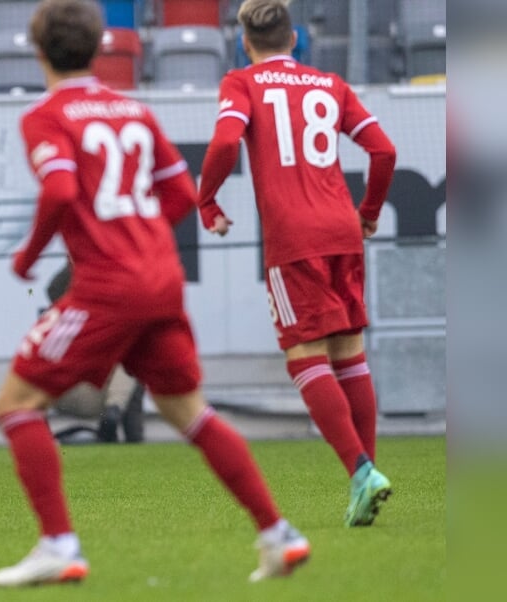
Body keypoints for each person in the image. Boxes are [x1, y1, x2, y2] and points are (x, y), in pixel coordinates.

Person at [0, 0, 309, 587]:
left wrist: (28, 258)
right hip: (160, 277)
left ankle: (58, 543)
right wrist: (139, 239)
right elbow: (183, 194)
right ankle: (276, 533)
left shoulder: (45, 116)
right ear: (99, 49)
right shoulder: (133, 110)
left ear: (38, 53)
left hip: (109, 285)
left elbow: (59, 192)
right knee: (187, 410)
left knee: (15, 403)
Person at [196, 0, 397, 527]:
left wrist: (207, 200)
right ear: (295, 38)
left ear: (246, 41)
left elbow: (223, 141)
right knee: (349, 352)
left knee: (304, 354)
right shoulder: (329, 84)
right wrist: (368, 213)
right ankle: (367, 475)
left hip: (295, 238)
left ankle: (360, 472)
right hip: (342, 231)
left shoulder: (242, 83)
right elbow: (384, 151)